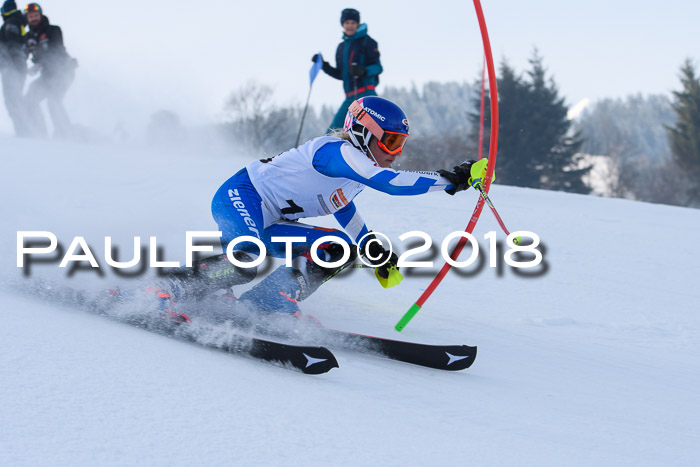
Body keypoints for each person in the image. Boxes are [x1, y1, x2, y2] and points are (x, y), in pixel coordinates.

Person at [157, 97, 491, 320]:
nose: (396, 152)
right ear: (364, 132)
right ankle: (166, 287)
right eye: (390, 141)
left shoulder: (357, 170)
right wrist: (452, 179)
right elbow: (390, 183)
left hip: (275, 219)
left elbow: (342, 207)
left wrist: (371, 248)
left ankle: (265, 306)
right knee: (247, 260)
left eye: (401, 144)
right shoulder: (337, 152)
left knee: (336, 248)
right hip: (242, 197)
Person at [312, 8, 383, 133]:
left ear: (357, 24)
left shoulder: (367, 42)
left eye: (353, 23)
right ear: (342, 24)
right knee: (334, 132)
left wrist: (363, 71)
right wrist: (323, 65)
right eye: (347, 23)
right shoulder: (341, 47)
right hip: (350, 98)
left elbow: (378, 67)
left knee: (375, 132)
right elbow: (341, 74)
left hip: (366, 95)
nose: (350, 26)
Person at [23, 3, 77, 139]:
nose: (33, 18)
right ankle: (40, 132)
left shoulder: (53, 30)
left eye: (36, 15)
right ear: (27, 19)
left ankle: (65, 133)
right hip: (47, 75)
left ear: (41, 15)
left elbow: (56, 51)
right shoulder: (29, 37)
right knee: (30, 97)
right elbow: (22, 53)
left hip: (63, 71)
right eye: (30, 17)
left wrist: (39, 63)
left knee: (53, 100)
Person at [0, 0, 30, 136]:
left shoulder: (11, 23)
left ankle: (23, 131)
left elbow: (12, 45)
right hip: (16, 66)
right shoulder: (17, 22)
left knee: (12, 100)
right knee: (14, 99)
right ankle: (24, 129)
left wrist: (12, 67)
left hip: (12, 67)